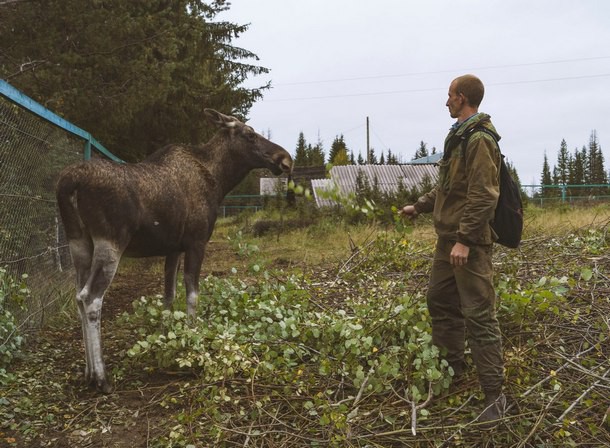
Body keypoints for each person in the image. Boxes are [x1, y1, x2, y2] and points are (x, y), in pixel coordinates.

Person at [401, 74, 505, 427]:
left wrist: (464, 239)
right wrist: (420, 206)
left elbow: (483, 194)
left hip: (468, 244)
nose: (445, 101)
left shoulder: (479, 139)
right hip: (448, 239)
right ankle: (451, 373)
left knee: (479, 315)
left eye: (449, 96)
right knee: (440, 301)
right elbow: (448, 186)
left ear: (461, 98)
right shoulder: (457, 136)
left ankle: (496, 397)